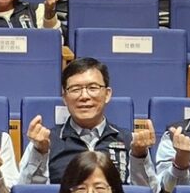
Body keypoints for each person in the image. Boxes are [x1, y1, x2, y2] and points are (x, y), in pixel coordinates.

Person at [18, 56, 148, 185]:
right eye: (75, 89)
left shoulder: (130, 141)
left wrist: (139, 156)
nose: (84, 96)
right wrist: (40, 152)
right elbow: (27, 192)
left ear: (107, 94)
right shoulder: (46, 142)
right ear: (65, 98)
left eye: (93, 88)